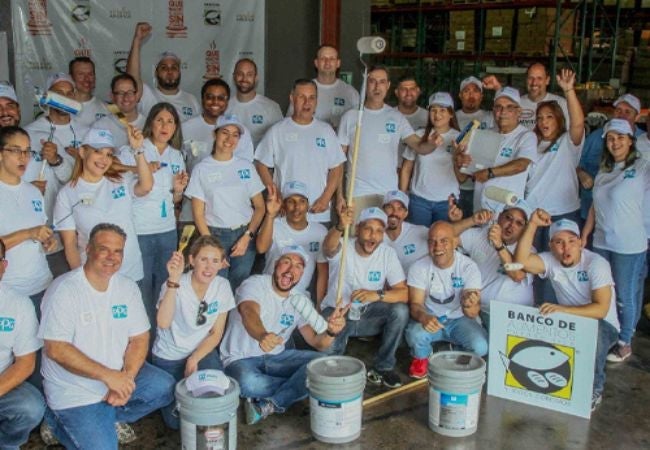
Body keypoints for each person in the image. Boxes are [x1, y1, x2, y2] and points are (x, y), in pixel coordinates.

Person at [38, 223, 175, 448]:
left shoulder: (127, 287)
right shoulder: (64, 289)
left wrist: (126, 378)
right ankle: (56, 421)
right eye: (104, 249)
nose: (111, 257)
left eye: (118, 251)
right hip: (75, 391)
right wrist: (109, 377)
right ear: (88, 249)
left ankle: (109, 416)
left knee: (165, 387)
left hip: (117, 376)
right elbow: (56, 348)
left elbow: (139, 338)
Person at [221, 246, 347, 424]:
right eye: (286, 262)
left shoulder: (300, 299)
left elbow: (317, 343)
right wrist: (261, 335)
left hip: (278, 358)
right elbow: (248, 312)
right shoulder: (255, 284)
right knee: (248, 382)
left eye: (298, 266)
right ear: (275, 265)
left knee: (326, 364)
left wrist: (331, 332)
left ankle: (270, 403)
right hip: (240, 359)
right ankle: (300, 385)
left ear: (301, 274)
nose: (290, 269)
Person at [514, 211, 619, 410]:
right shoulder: (550, 260)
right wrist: (533, 224)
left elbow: (601, 310)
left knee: (593, 332)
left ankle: (594, 389)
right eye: (559, 242)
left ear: (580, 242)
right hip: (569, 321)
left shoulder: (596, 264)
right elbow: (521, 261)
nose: (566, 248)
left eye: (572, 241)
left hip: (604, 326)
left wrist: (562, 311)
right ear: (551, 246)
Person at [582, 119, 649, 363]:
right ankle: (607, 335)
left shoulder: (642, 167)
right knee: (603, 291)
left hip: (629, 244)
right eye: (610, 138)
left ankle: (624, 342)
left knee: (625, 294)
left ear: (631, 140)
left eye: (621, 137)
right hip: (602, 241)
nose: (615, 142)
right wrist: (585, 234)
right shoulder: (605, 169)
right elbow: (594, 207)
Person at [321, 206, 409, 388]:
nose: (373, 236)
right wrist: (339, 227)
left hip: (369, 315)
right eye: (368, 229)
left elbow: (404, 293)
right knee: (328, 364)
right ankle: (336, 366)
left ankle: (384, 367)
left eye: (379, 231)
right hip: (337, 314)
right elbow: (328, 248)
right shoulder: (344, 244)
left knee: (400, 311)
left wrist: (376, 295)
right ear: (358, 229)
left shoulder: (387, 253)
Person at [152, 236, 234, 429]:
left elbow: (216, 333)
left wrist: (194, 358)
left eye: (215, 261)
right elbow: (163, 323)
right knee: (177, 422)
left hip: (201, 352)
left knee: (213, 402)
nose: (209, 266)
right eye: (203, 259)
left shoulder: (222, 286)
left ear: (222, 264)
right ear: (191, 260)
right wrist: (173, 280)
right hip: (169, 356)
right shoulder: (175, 284)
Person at [119, 103, 188, 326]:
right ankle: (142, 340)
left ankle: (160, 339)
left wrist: (178, 190)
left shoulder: (177, 155)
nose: (165, 126)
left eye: (170, 121)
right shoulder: (135, 148)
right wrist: (142, 167)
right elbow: (114, 172)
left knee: (165, 287)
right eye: (160, 120)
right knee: (141, 288)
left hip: (167, 230)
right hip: (139, 230)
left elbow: (175, 201)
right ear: (151, 123)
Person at [54, 127, 152, 282]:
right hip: (94, 277)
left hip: (131, 272)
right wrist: (81, 280)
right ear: (82, 152)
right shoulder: (66, 194)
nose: (104, 159)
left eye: (108, 154)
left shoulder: (120, 180)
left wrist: (138, 149)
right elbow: (70, 244)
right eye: (98, 151)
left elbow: (146, 187)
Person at [337, 66, 437, 214]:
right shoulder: (351, 117)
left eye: (382, 82)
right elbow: (338, 161)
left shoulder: (396, 117)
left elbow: (419, 147)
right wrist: (339, 195)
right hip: (357, 192)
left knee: (383, 237)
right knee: (356, 237)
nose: (377, 86)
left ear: (388, 86)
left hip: (388, 194)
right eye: (372, 81)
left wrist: (432, 144)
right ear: (366, 84)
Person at [185, 117, 265, 291]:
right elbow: (198, 214)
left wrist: (248, 236)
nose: (230, 140)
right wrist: (212, 246)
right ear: (215, 134)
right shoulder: (202, 168)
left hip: (244, 235)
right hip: (214, 234)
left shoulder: (246, 167)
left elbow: (260, 207)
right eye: (225, 133)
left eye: (235, 135)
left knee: (240, 288)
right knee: (214, 288)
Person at [255, 78, 345, 224]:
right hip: (286, 212)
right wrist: (275, 194)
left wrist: (326, 198)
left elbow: (337, 167)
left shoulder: (326, 131)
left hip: (317, 212)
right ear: (292, 98)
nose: (307, 102)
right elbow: (261, 164)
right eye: (301, 97)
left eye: (311, 98)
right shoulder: (277, 131)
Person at [405, 221, 487, 379]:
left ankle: (449, 353)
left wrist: (468, 304)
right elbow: (415, 305)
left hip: (459, 319)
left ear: (455, 242)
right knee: (414, 335)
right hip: (431, 316)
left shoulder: (468, 267)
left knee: (481, 347)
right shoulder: (419, 267)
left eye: (444, 241)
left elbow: (472, 312)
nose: (437, 247)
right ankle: (422, 357)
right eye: (432, 242)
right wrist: (424, 317)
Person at [449, 200, 535, 328]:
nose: (511, 225)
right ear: (499, 217)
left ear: (524, 230)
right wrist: (471, 220)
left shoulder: (528, 250)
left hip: (516, 316)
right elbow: (445, 237)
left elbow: (517, 274)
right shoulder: (481, 234)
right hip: (481, 310)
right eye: (508, 218)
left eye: (519, 223)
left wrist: (499, 246)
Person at [525, 68, 584, 251]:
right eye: (540, 118)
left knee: (561, 267)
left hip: (563, 213)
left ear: (558, 119)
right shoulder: (530, 143)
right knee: (534, 266)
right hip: (533, 213)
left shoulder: (568, 142)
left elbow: (578, 123)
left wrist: (568, 90)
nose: (544, 122)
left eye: (549, 117)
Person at [454, 86, 538, 212]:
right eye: (498, 107)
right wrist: (458, 160)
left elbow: (520, 165)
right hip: (480, 211)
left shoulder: (526, 136)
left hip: (508, 213)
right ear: (493, 111)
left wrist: (490, 173)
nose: (503, 112)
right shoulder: (483, 134)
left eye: (509, 107)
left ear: (519, 111)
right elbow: (462, 178)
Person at [0, 126, 55, 314]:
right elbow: (30, 232)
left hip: (41, 285)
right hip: (8, 291)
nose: (24, 157)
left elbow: (40, 231)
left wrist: (47, 241)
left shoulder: (33, 192)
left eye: (27, 151)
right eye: (16, 150)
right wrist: (29, 233)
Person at [0, 238, 46, 450]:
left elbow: (25, 363)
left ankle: (7, 443)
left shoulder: (18, 304)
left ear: (4, 265)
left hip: (2, 384)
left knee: (31, 406)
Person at [24, 73, 85, 226]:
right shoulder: (30, 133)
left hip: (79, 215)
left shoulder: (87, 131)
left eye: (69, 93)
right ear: (48, 96)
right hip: (43, 216)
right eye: (58, 94)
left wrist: (80, 160)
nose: (65, 98)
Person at [257, 181, 328, 301]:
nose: (296, 207)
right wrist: (270, 215)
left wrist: (320, 304)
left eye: (302, 201)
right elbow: (261, 248)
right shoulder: (274, 224)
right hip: (269, 293)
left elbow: (323, 272)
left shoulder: (320, 231)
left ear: (308, 205)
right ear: (283, 205)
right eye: (291, 201)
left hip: (299, 297)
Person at [577, 94, 643, 223]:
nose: (622, 115)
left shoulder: (644, 141)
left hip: (626, 218)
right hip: (591, 211)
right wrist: (581, 173)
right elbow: (576, 162)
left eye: (628, 112)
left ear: (637, 117)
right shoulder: (595, 137)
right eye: (618, 110)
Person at [400, 92, 461, 226]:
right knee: (418, 240)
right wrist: (402, 196)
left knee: (442, 242)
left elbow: (463, 174)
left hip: (447, 201)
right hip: (419, 200)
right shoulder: (419, 135)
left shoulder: (459, 138)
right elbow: (406, 168)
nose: (437, 115)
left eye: (442, 110)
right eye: (433, 110)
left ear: (451, 113)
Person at [127, 22, 200, 122]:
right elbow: (131, 79)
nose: (169, 71)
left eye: (174, 67)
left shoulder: (192, 100)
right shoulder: (147, 95)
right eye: (164, 68)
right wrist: (137, 41)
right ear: (156, 73)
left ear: (179, 72)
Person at [287, 45, 360, 130]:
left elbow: (358, 124)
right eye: (323, 58)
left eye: (332, 59)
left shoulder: (350, 92)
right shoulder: (304, 90)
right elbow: (290, 122)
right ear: (316, 63)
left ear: (338, 63)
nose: (327, 62)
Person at [483, 63, 569, 130]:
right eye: (531, 78)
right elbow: (503, 115)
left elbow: (572, 134)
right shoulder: (518, 104)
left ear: (547, 80)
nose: (534, 83)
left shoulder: (561, 104)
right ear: (526, 79)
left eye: (539, 78)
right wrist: (498, 88)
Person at [455, 76, 494, 218]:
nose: (471, 95)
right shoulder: (451, 117)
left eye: (476, 91)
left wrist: (497, 88)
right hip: (456, 186)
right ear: (460, 95)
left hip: (482, 186)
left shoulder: (491, 117)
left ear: (482, 96)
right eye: (466, 91)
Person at [226, 58, 283, 147]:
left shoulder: (271, 107)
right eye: (240, 74)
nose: (244, 79)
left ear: (256, 78)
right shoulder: (224, 107)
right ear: (234, 77)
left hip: (259, 160)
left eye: (249, 74)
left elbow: (280, 141)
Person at [93, 73, 147, 150]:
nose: (126, 98)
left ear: (137, 95)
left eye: (130, 92)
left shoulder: (148, 125)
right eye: (120, 93)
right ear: (112, 96)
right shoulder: (101, 126)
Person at [381, 190, 428, 273]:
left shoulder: (419, 231)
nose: (394, 212)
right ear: (383, 210)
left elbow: (446, 235)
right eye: (390, 207)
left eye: (400, 209)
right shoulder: (374, 234)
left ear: (405, 214)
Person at [69, 56, 109, 127]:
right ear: (71, 77)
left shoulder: (111, 108)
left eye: (90, 74)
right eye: (81, 74)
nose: (87, 79)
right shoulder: (60, 109)